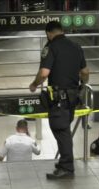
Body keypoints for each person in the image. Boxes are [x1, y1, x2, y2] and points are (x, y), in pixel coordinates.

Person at [29, 21, 89, 179]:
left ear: (49, 33)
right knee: (64, 129)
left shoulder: (51, 48)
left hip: (59, 99)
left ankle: (67, 168)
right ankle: (64, 162)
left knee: (61, 130)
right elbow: (85, 72)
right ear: (62, 31)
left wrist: (34, 84)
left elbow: (44, 73)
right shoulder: (76, 46)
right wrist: (83, 84)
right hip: (72, 97)